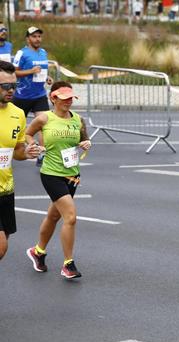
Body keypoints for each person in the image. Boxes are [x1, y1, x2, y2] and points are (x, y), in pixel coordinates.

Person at [25, 81, 91, 279]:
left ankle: (38, 252)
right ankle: (68, 264)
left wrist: (86, 143)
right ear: (53, 98)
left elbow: (83, 139)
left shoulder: (78, 119)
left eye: (71, 98)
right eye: (64, 99)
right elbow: (28, 134)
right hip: (52, 174)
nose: (68, 102)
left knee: (54, 216)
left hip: (72, 174)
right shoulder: (45, 118)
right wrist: (34, 145)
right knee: (70, 216)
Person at [0, 61, 41, 261]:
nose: (11, 90)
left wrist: (27, 153)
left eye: (14, 85)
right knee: (0, 246)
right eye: (6, 86)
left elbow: (16, 150)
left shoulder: (17, 114)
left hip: (6, 188)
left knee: (3, 246)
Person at [12, 26, 52, 164]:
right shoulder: (21, 53)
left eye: (39, 36)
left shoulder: (43, 52)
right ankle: (8, 149)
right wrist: (30, 71)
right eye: (34, 36)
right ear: (28, 39)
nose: (37, 39)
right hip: (22, 96)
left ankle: (42, 155)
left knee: (44, 124)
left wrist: (47, 77)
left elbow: (42, 71)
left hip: (39, 96)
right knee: (12, 125)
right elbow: (13, 72)